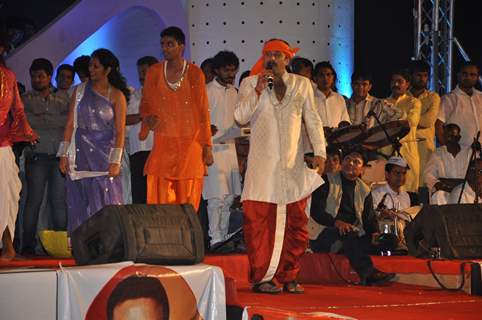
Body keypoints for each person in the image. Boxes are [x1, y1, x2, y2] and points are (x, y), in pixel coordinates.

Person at [235, 39, 326, 294]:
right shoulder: (250, 83)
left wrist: (320, 152)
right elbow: (240, 116)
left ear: (287, 59)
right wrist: (257, 92)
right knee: (259, 224)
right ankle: (263, 277)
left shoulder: (302, 84)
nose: (272, 59)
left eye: (277, 55)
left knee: (295, 224)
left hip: (292, 166)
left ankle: (289, 276)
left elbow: (313, 120)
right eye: (268, 55)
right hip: (262, 169)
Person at [139, 26, 213, 211]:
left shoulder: (195, 73)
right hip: (164, 144)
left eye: (170, 44)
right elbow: (145, 103)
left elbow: (203, 112)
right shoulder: (154, 72)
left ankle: (186, 239)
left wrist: (207, 147)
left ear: (181, 47)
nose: (165, 48)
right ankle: (162, 239)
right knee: (160, 199)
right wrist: (148, 118)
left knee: (187, 202)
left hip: (190, 145)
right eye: (162, 44)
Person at [59, 48, 128, 233]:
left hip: (105, 154)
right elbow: (69, 124)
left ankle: (108, 242)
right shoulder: (79, 92)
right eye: (90, 65)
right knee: (81, 199)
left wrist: (115, 160)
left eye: (96, 66)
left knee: (106, 199)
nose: (91, 69)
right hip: (80, 152)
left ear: (108, 70)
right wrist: (64, 154)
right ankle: (84, 244)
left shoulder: (117, 95)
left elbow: (120, 131)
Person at [309, 150, 395, 285]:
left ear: (362, 169)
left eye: (356, 162)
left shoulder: (364, 190)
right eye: (347, 159)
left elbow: (369, 219)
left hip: (353, 234)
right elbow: (316, 212)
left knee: (389, 239)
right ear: (342, 163)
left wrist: (375, 234)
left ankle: (345, 249)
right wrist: (337, 223)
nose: (351, 163)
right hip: (325, 233)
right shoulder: (327, 181)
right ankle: (369, 274)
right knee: (349, 234)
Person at [22, 58, 70, 254]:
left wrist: (41, 119)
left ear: (50, 77)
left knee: (58, 201)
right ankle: (26, 245)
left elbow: (68, 123)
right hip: (37, 157)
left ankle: (60, 246)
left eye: (41, 76)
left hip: (59, 157)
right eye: (33, 76)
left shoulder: (64, 99)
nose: (36, 80)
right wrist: (50, 120)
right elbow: (25, 123)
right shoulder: (25, 99)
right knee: (33, 201)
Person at [0, 34, 37, 260]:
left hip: (1, 145)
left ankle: (7, 245)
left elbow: (19, 109)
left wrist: (26, 131)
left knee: (6, 195)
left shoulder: (9, 76)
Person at [203, 50, 242, 251]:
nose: (231, 75)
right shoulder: (206, 91)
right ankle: (214, 239)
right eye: (227, 70)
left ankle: (224, 237)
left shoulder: (235, 92)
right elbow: (199, 122)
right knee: (215, 197)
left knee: (228, 198)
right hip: (213, 150)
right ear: (216, 70)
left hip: (230, 150)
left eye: (233, 71)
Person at [383, 69, 422, 192]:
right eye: (393, 81)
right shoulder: (382, 103)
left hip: (407, 153)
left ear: (407, 84)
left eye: (400, 81)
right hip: (386, 153)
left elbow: (410, 122)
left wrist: (391, 112)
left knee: (409, 194)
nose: (396, 84)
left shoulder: (414, 102)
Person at [126, 56, 158, 204]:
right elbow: (123, 119)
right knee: (139, 194)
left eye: (145, 71)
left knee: (156, 193)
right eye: (139, 72)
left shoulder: (164, 96)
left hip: (157, 150)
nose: (141, 76)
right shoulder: (132, 96)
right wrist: (142, 115)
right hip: (136, 151)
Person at [372, 156, 419, 249]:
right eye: (397, 173)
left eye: (404, 173)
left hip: (403, 240)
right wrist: (383, 215)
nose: (401, 176)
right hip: (385, 240)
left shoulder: (406, 196)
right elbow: (372, 218)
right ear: (387, 174)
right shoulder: (377, 194)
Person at [408, 61, 440, 187]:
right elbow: (397, 122)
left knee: (424, 188)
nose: (422, 79)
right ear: (411, 76)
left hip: (425, 150)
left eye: (425, 75)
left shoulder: (433, 97)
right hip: (406, 148)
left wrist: (408, 121)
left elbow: (428, 121)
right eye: (418, 75)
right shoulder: (403, 97)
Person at [436, 62, 482, 147]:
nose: (468, 77)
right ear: (458, 75)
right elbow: (438, 126)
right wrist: (448, 149)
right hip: (460, 154)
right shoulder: (449, 99)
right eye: (465, 74)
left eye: (472, 75)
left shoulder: (480, 97)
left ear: (477, 77)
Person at [424, 123, 472, 205]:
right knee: (438, 195)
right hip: (444, 190)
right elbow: (428, 175)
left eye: (452, 136)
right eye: (446, 136)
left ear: (458, 138)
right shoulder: (437, 153)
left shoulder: (469, 152)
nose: (448, 139)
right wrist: (439, 184)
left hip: (463, 191)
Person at [312, 61, 350, 131]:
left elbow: (345, 121)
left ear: (333, 77)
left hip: (337, 140)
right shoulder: (310, 98)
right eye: (321, 75)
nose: (325, 78)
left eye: (328, 75)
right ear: (315, 78)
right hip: (315, 140)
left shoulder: (339, 98)